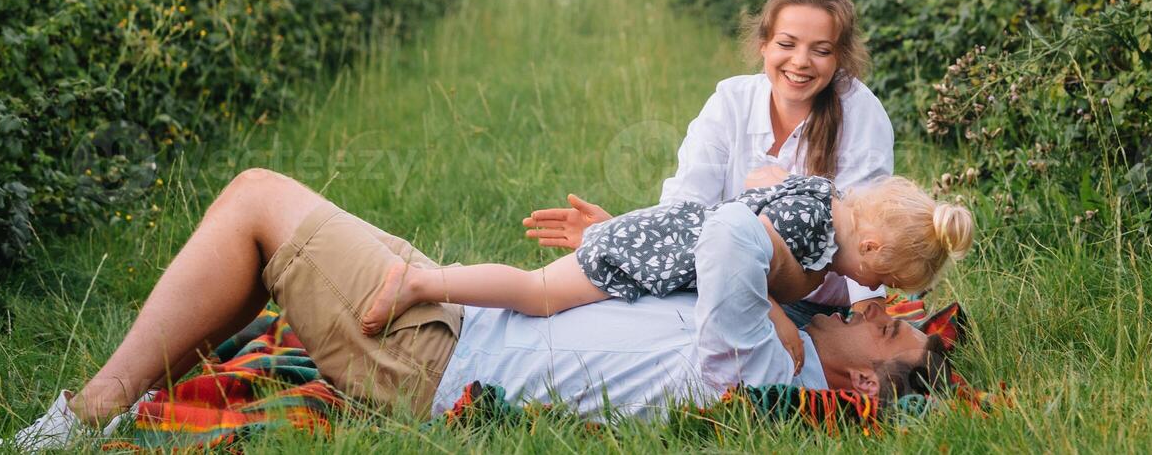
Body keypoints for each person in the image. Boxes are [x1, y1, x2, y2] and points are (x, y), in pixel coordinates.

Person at [0, 168, 948, 452]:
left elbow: (734, 239)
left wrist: (802, 222)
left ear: (862, 378)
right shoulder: (763, 336)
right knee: (286, 234)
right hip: (465, 330)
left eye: (891, 323)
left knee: (256, 200)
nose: (876, 305)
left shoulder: (769, 361)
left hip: (443, 360)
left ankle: (89, 413)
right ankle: (149, 370)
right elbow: (698, 261)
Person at [526, 0, 898, 321]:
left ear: (839, 57)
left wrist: (869, 320)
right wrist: (628, 238)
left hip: (821, 308)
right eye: (787, 44)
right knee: (611, 306)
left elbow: (867, 229)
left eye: (821, 50)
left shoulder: (859, 112)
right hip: (730, 286)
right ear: (763, 44)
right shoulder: (730, 101)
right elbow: (686, 203)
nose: (800, 62)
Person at [358, 174, 974, 374]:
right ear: (868, 244)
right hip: (659, 250)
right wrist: (775, 316)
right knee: (537, 292)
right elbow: (743, 240)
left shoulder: (823, 202)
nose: (877, 292)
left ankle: (428, 281)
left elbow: (759, 189)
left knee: (539, 290)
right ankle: (423, 283)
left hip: (669, 238)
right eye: (883, 278)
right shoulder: (815, 231)